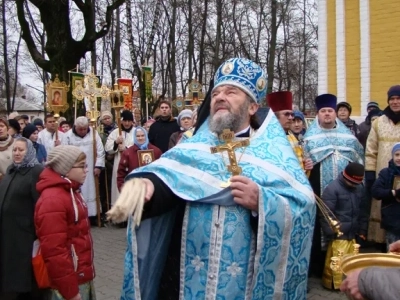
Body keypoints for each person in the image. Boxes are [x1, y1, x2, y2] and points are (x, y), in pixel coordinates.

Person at [107, 58, 315, 299]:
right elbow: (170, 179)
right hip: (188, 274)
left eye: (231, 92)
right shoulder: (193, 147)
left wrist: (262, 201)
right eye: (216, 92)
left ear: (252, 107)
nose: (219, 97)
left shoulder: (274, 153)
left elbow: (303, 205)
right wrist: (148, 184)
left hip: (244, 283)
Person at [304, 94, 364, 277]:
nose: (327, 114)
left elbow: (359, 159)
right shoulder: (309, 139)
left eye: (330, 111)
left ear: (335, 113)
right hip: (319, 191)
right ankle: (319, 266)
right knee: (320, 226)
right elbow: (304, 166)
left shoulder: (349, 138)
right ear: (318, 115)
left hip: (347, 191)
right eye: (323, 111)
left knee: (345, 223)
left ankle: (345, 265)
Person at [35, 145, 96, 300]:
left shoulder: (71, 191)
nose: (86, 170)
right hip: (69, 282)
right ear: (66, 169)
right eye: (82, 166)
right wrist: (70, 291)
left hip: (79, 275)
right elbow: (54, 251)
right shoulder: (53, 199)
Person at [0, 137, 44, 300]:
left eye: (21, 150)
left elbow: (40, 203)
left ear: (29, 151)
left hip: (25, 234)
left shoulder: (36, 171)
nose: (17, 153)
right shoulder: (12, 169)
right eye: (15, 150)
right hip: (8, 232)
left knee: (23, 275)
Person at [320, 162, 368, 290]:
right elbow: (326, 214)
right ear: (346, 177)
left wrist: (362, 229)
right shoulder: (332, 189)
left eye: (356, 183)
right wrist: (332, 232)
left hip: (353, 233)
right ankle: (333, 285)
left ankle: (349, 284)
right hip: (338, 234)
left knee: (351, 262)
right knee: (337, 261)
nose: (354, 185)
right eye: (352, 183)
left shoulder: (359, 188)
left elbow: (363, 211)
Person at [365, 85, 400, 247]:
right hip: (382, 172)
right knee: (381, 204)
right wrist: (370, 172)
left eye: (398, 99)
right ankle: (379, 242)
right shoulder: (379, 122)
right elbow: (371, 149)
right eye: (392, 99)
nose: (395, 102)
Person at [65, 117, 105, 222]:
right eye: (80, 129)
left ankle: (93, 214)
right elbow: (64, 152)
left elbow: (100, 151)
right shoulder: (68, 136)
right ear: (75, 127)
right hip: (75, 169)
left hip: (91, 167)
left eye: (84, 129)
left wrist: (98, 166)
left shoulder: (93, 134)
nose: (83, 131)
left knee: (92, 189)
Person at [267, 91, 313, 171]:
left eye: (292, 114)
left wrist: (306, 166)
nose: (291, 117)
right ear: (274, 116)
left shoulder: (292, 136)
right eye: (287, 114)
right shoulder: (267, 138)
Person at [371, 143, 400, 248]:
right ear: (392, 156)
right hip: (392, 221)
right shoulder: (386, 173)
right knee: (393, 254)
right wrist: (393, 193)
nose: (399, 158)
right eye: (397, 155)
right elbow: (376, 192)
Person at [105, 110, 135, 206]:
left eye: (129, 121)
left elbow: (140, 146)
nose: (126, 123)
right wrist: (116, 143)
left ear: (132, 121)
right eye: (124, 121)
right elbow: (108, 149)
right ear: (121, 121)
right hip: (119, 163)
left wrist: (126, 148)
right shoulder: (115, 133)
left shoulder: (137, 132)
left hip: (132, 164)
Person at [117, 127, 162, 191]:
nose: (140, 138)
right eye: (138, 136)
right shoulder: (128, 153)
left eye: (142, 135)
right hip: (134, 188)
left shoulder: (156, 151)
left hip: (153, 188)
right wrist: (122, 188)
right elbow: (121, 172)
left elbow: (161, 170)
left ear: (146, 136)